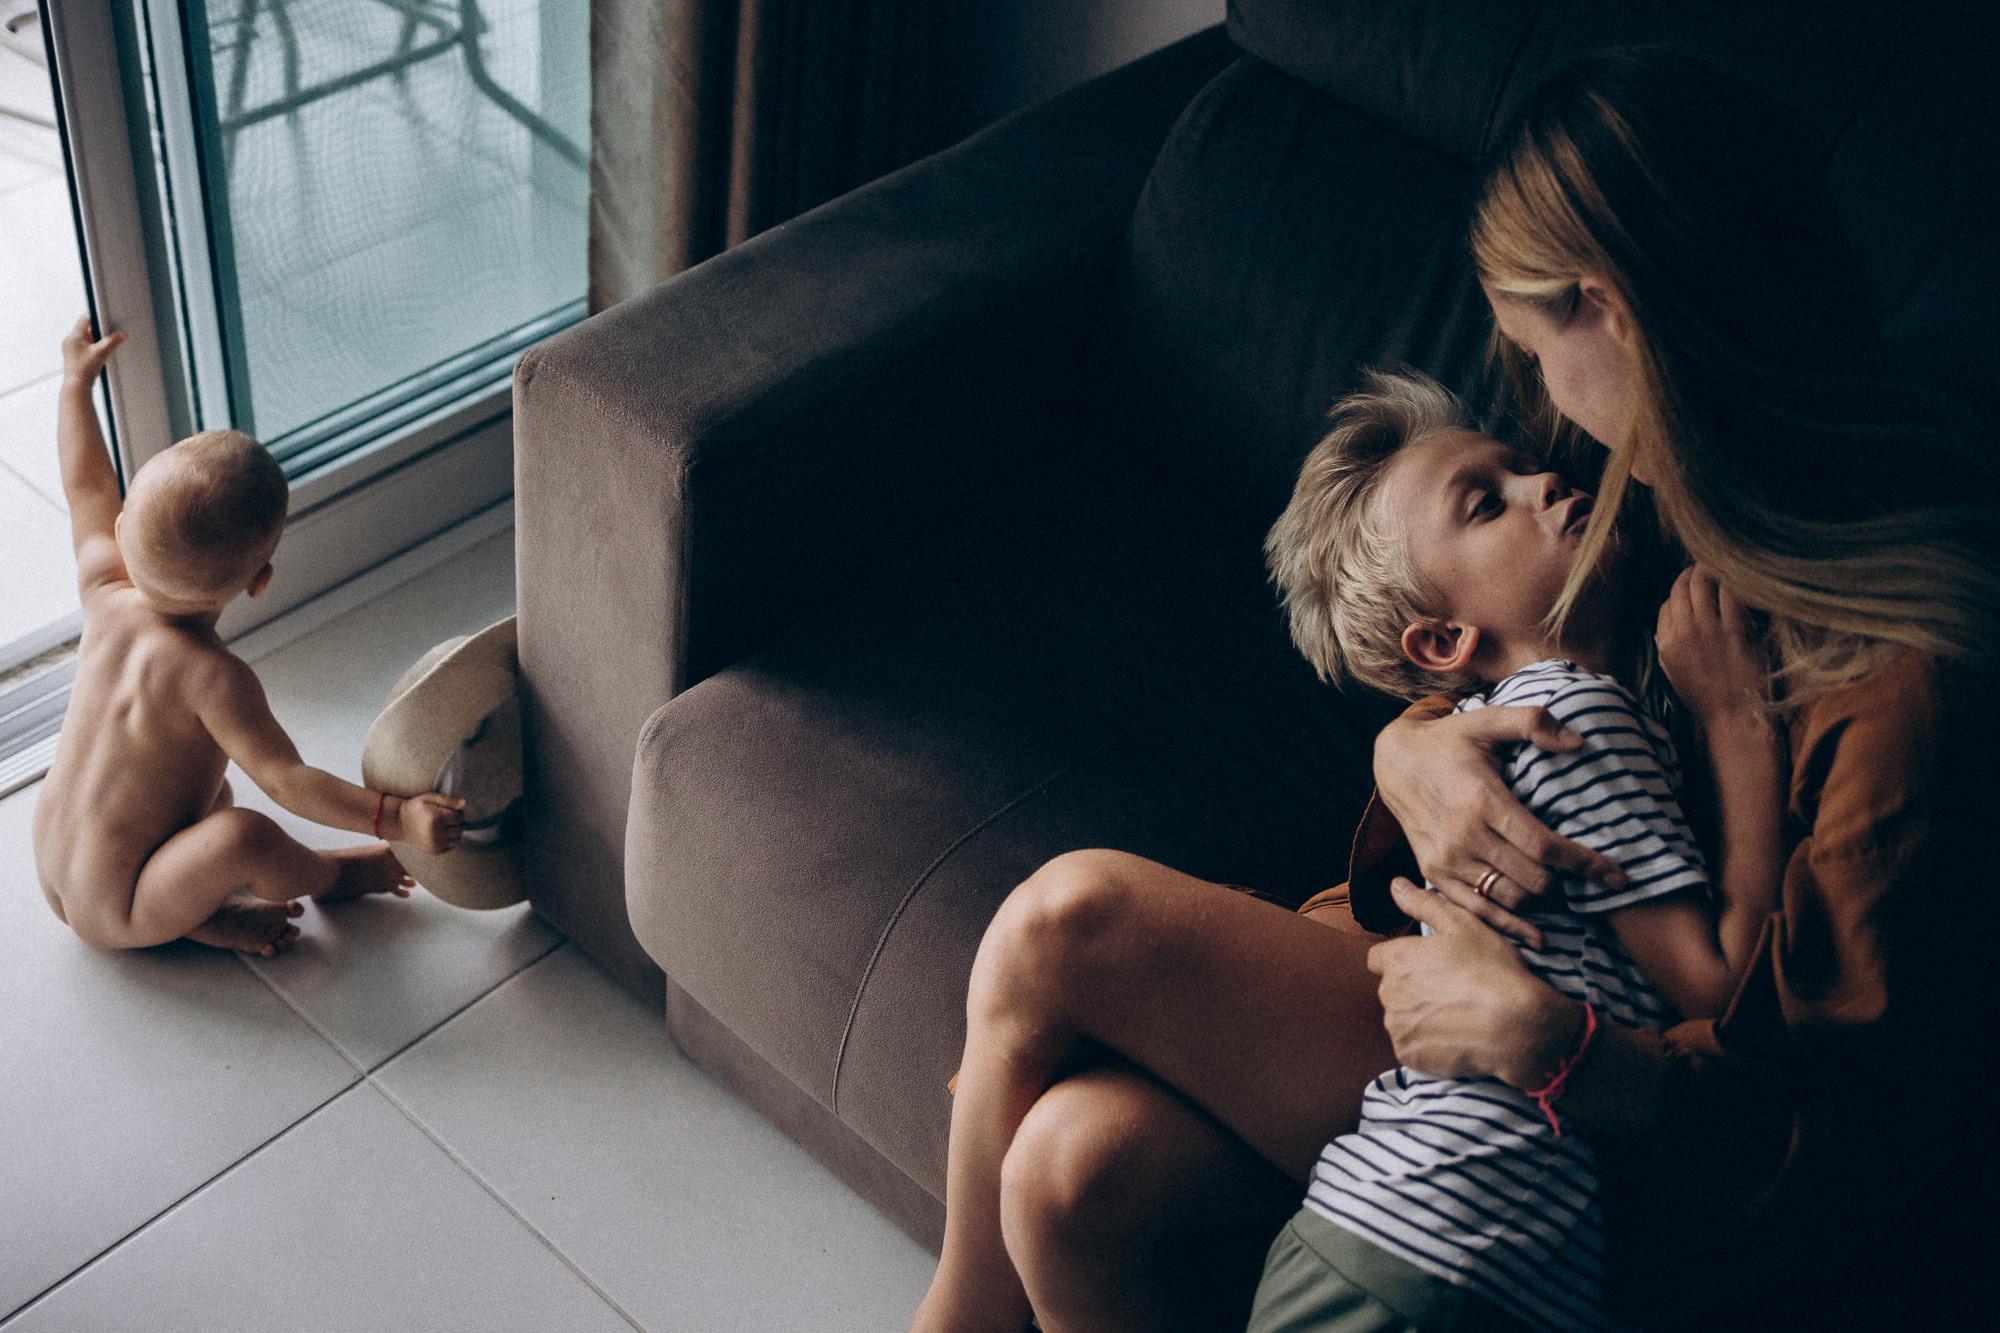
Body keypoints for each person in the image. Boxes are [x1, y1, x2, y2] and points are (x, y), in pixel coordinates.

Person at [910, 49, 1999, 1333]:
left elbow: (1827, 1149)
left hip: (1624, 1104)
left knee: (1068, 919)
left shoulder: (1902, 696)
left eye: (1534, 348)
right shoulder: (1645, 493)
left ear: (1612, 312)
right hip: (1498, 981)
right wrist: (1412, 753)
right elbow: (1492, 635)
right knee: (1068, 1167)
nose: (1539, 411)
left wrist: (1557, 1050)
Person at [1245, 369, 1781, 1333]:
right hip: (1450, 1253)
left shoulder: (1522, 728)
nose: (1550, 486)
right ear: (1446, 638)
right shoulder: (1575, 723)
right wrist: (1737, 724)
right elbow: (1720, 983)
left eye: (1527, 469)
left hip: (1392, 1228)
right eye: (1488, 504)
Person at [32, 317, 467, 957]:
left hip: (54, 865)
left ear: (122, 531)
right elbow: (288, 780)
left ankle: (199, 910)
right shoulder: (214, 677)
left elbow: (87, 486)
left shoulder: (102, 591)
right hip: (118, 908)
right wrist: (398, 817)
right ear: (259, 582)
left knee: (209, 789)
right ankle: (335, 877)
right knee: (243, 833)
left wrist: (75, 385)